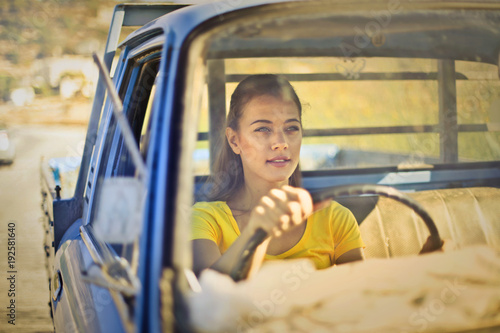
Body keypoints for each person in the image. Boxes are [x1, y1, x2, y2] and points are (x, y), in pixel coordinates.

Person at [190, 74, 365, 278]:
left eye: (291, 128)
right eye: (263, 129)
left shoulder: (334, 218)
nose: (281, 142)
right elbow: (208, 295)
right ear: (234, 140)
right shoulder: (205, 219)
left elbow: (365, 297)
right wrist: (258, 233)